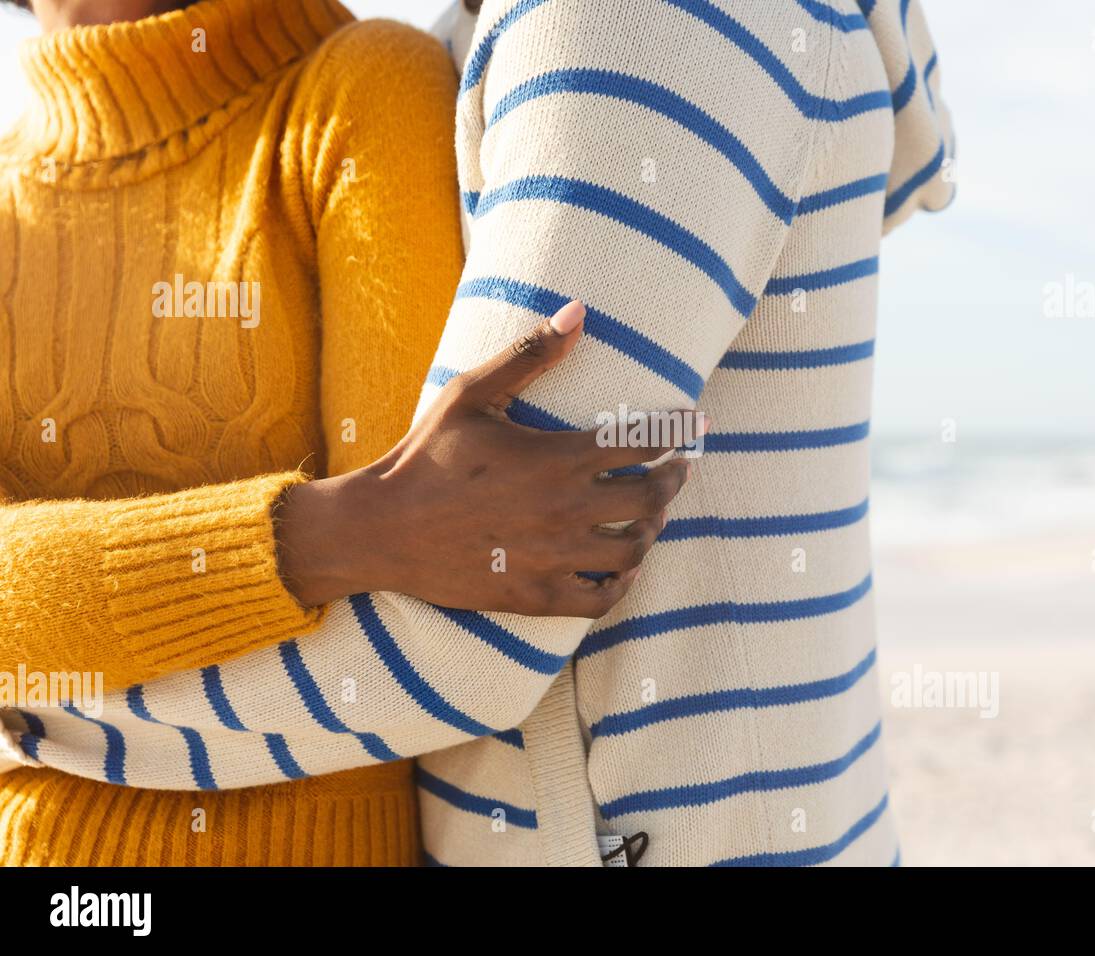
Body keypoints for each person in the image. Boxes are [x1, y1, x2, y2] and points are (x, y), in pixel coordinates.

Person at [6, 0, 955, 867]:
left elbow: (456, 638)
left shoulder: (617, 25)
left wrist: (28, 703)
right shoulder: (488, 36)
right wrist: (330, 532)